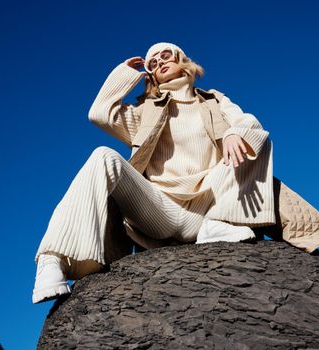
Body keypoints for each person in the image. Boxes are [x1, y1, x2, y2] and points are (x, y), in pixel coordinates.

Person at [32, 42, 275, 304]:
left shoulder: (215, 101)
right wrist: (125, 75)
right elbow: (100, 114)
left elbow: (247, 121)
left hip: (209, 205)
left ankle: (219, 225)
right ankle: (51, 261)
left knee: (254, 139)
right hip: (159, 210)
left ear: (181, 58)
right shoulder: (145, 112)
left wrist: (233, 133)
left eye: (165, 55)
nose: (159, 62)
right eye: (152, 64)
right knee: (103, 156)